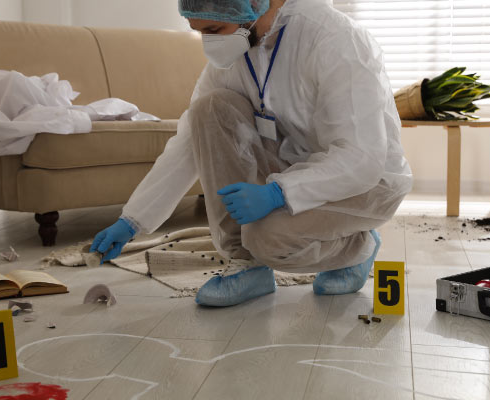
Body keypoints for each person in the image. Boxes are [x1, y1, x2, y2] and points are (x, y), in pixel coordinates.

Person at [90, 0, 413, 307]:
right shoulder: (242, 46)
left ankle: (357, 247)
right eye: (199, 30)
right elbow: (191, 139)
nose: (207, 44)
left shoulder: (334, 40)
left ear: (253, 4)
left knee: (267, 238)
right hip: (294, 164)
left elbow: (361, 158)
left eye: (213, 30)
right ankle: (246, 266)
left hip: (367, 182)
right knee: (210, 108)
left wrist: (279, 193)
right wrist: (132, 220)